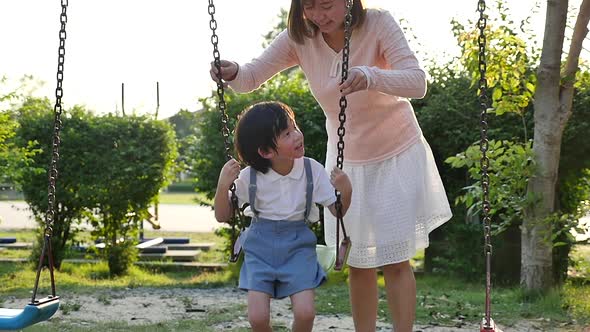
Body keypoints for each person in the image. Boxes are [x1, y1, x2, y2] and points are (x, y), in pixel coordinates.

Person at [210, 1, 452, 330]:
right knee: (360, 262)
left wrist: (368, 76)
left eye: (327, 5)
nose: (319, 16)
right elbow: (250, 76)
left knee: (396, 260)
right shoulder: (300, 38)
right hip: (347, 160)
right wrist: (233, 72)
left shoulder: (378, 24)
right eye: (310, 7)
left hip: (397, 152)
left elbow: (416, 82)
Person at [214, 101, 353, 332]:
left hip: (298, 246)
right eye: (287, 133)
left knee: (306, 313)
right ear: (266, 151)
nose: (298, 135)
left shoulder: (312, 170)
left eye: (295, 127)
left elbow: (337, 211)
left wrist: (345, 190)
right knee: (257, 319)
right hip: (260, 247)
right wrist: (222, 186)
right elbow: (222, 215)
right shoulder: (250, 177)